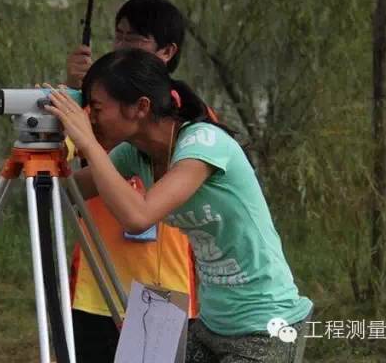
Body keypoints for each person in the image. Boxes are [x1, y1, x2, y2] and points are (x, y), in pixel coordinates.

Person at [45, 48, 313, 363]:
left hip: (264, 325)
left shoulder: (203, 144)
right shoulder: (136, 153)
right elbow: (67, 189)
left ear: (140, 107)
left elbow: (138, 216)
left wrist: (88, 141)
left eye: (98, 108)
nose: (90, 118)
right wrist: (49, 135)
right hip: (212, 325)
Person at [64, 0, 199, 363]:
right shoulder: (101, 110)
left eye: (135, 39)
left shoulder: (190, 121)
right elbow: (69, 174)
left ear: (168, 51)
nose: (121, 47)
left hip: (160, 284)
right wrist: (78, 96)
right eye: (118, 36)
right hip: (95, 280)